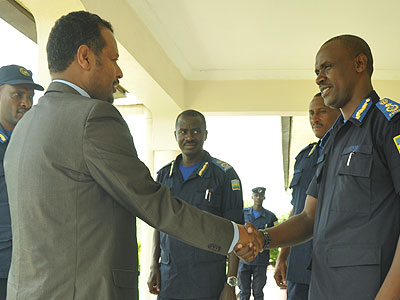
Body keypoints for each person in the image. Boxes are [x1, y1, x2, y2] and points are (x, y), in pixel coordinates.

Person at [3, 11, 263, 300]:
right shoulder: (92, 117)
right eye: (114, 59)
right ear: (85, 57)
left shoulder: (24, 126)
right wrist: (234, 235)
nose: (120, 72)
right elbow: (153, 202)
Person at [235, 34, 400, 300]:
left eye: (327, 67)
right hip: (323, 287)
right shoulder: (332, 139)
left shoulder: (388, 124)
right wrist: (263, 239)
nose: (319, 78)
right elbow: (309, 217)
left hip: (369, 289)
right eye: (316, 71)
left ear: (359, 63)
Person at [147, 109, 244, 300]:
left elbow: (236, 232)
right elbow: (159, 225)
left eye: (196, 131)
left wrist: (230, 283)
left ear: (205, 134)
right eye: (183, 132)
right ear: (175, 135)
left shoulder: (224, 175)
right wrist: (153, 266)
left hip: (207, 282)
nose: (189, 137)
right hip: (170, 280)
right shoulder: (164, 176)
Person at [273, 93, 340, 300]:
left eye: (322, 112)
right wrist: (282, 257)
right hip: (300, 263)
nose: (314, 118)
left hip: (335, 262)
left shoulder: (348, 151)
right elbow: (298, 208)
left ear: (338, 114)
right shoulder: (304, 157)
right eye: (311, 113)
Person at [0, 64, 43, 300]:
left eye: (30, 96)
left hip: (31, 265)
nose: (26, 103)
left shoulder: (35, 143)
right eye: (17, 95)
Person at [238, 187, 277, 300]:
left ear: (264, 197)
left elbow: (273, 238)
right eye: (256, 195)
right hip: (244, 259)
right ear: (252, 197)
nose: (258, 198)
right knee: (244, 293)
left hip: (260, 260)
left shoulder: (270, 217)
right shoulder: (243, 213)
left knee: (258, 292)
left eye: (261, 195)